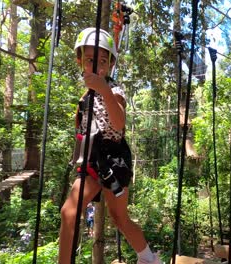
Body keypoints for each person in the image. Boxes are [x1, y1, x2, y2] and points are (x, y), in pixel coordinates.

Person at [59, 28, 160, 264]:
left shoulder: (114, 90)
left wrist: (104, 89)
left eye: (103, 61)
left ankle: (149, 258)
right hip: (91, 162)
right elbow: (81, 133)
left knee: (119, 218)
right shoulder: (84, 98)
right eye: (90, 60)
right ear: (80, 62)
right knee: (68, 212)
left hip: (113, 161)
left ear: (111, 65)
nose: (97, 66)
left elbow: (119, 122)